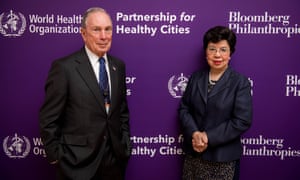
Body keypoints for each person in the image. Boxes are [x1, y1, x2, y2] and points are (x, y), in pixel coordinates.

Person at [39, 7, 131, 180]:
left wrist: (124, 145)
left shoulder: (118, 66)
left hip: (114, 163)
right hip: (76, 165)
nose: (104, 36)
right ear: (83, 33)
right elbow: (48, 119)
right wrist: (56, 157)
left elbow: (121, 111)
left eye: (108, 29)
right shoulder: (64, 68)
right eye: (96, 30)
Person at [178, 26, 252, 180]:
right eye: (212, 49)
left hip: (223, 159)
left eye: (223, 49)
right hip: (194, 156)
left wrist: (208, 137)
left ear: (230, 53)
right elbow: (184, 109)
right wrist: (195, 133)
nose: (217, 55)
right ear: (206, 52)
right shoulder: (196, 78)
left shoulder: (240, 82)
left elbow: (241, 121)